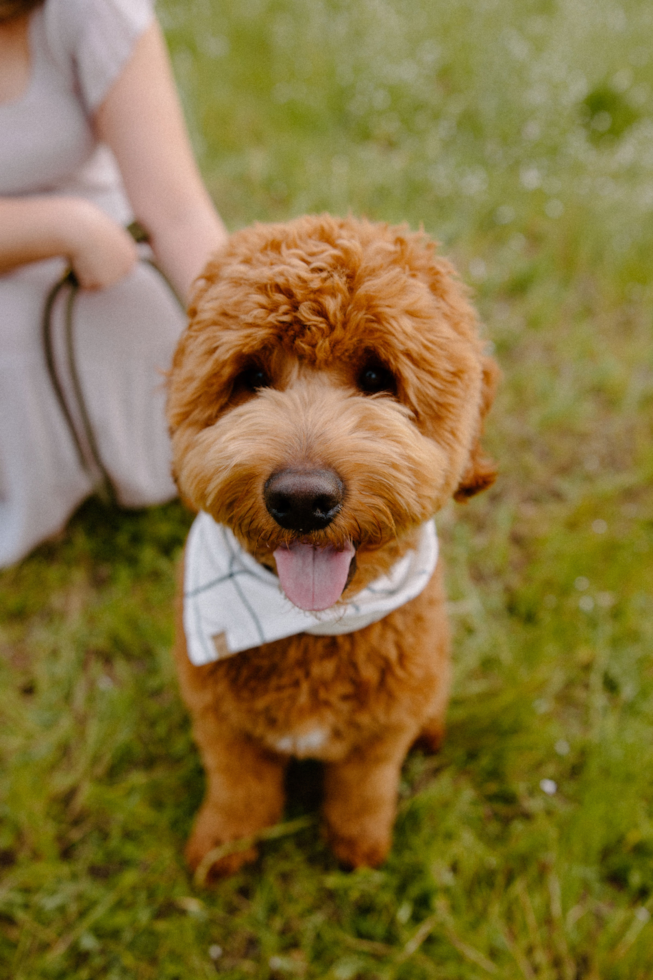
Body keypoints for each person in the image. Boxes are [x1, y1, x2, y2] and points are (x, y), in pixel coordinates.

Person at [0, 0, 228, 567]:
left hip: (104, 254)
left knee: (138, 319)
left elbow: (176, 211)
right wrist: (62, 226)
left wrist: (238, 328)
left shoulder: (94, 12)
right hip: (69, 236)